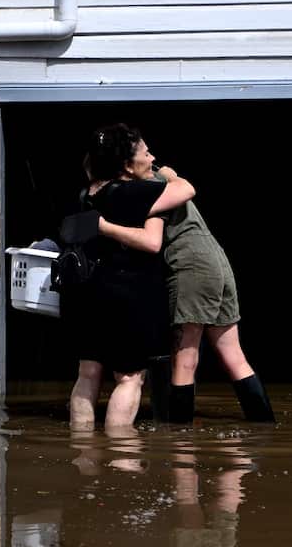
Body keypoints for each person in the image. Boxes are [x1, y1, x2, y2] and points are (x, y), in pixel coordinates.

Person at [96, 165, 275, 424]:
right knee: (233, 355)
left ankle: (180, 443)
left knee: (185, 359)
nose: (153, 158)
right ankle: (265, 430)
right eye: (146, 153)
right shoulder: (164, 180)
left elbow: (151, 239)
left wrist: (102, 225)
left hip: (191, 263)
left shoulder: (149, 186)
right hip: (216, 260)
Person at [63, 124, 196, 430]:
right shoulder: (135, 192)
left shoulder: (87, 193)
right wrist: (170, 175)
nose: (151, 158)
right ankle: (121, 458)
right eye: (145, 153)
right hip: (127, 293)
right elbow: (186, 191)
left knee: (88, 372)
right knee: (129, 378)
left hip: (87, 293)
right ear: (126, 165)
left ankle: (83, 452)